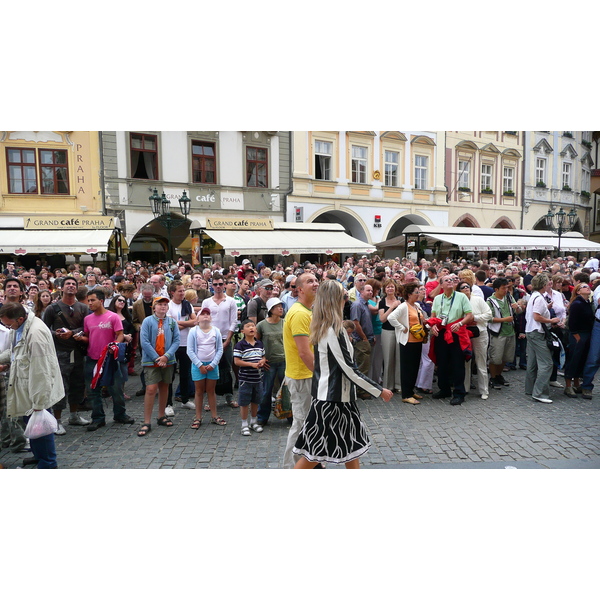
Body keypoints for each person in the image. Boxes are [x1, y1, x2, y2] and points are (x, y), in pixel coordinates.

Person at [292, 280, 393, 468]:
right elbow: (350, 370)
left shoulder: (325, 326)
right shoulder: (333, 330)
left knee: (349, 450)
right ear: (336, 300)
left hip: (336, 399)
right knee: (313, 455)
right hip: (332, 401)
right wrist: (379, 390)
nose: (347, 299)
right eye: (344, 296)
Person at [0, 302, 64, 468]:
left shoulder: (35, 334)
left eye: (9, 324)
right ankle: (39, 455)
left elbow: (40, 370)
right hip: (27, 386)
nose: (8, 327)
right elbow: (16, 351)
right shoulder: (21, 327)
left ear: (20, 319)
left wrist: (38, 402)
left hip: (36, 389)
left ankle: (48, 462)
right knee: (32, 424)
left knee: (41, 426)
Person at [79, 289, 135, 431]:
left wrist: (115, 346)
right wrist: (80, 338)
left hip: (109, 360)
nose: (89, 303)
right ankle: (98, 418)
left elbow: (120, 334)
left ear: (101, 301)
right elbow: (88, 337)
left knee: (116, 389)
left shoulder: (113, 317)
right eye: (88, 300)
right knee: (93, 391)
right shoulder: (87, 319)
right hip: (92, 359)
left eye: (92, 300)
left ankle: (120, 414)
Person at [42, 275, 91, 434]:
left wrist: (73, 332)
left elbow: (87, 327)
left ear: (76, 288)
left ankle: (74, 415)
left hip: (77, 351)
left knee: (78, 384)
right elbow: (43, 330)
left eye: (73, 284)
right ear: (61, 288)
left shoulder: (83, 308)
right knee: (60, 386)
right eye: (67, 284)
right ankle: (56, 420)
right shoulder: (52, 308)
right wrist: (56, 334)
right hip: (59, 353)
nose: (70, 286)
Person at [282, 271, 319, 468]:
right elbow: (304, 353)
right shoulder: (299, 314)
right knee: (301, 424)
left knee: (307, 423)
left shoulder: (308, 311)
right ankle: (292, 466)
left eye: (316, 280)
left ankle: (309, 462)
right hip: (303, 375)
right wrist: (321, 377)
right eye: (309, 281)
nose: (315, 283)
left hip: (307, 374)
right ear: (299, 290)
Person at [138, 297, 181, 436]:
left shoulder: (172, 322)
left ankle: (161, 415)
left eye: (165, 305)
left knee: (165, 386)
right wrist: (156, 358)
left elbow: (176, 341)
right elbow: (144, 341)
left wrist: (166, 356)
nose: (163, 307)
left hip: (167, 359)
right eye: (160, 305)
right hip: (151, 360)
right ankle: (146, 421)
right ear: (154, 307)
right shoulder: (147, 321)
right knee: (151, 388)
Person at [429, 273, 474, 405]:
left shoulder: (461, 297)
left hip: (456, 333)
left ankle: (459, 393)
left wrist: (460, 323)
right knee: (442, 363)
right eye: (446, 280)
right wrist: (432, 327)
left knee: (457, 364)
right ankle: (444, 389)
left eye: (452, 280)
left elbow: (469, 315)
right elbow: (433, 316)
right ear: (441, 285)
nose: (450, 281)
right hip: (442, 333)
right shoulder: (437, 299)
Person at [201, 272, 238, 409]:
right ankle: (211, 400)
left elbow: (233, 321)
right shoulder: (207, 302)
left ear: (224, 285)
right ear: (212, 285)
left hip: (225, 338)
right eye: (215, 284)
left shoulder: (231, 301)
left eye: (220, 284)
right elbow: (203, 320)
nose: (218, 287)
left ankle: (229, 397)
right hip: (209, 339)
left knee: (227, 368)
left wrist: (228, 340)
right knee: (210, 368)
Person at [187, 307, 226, 429]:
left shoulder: (216, 331)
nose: (205, 316)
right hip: (198, 365)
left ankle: (214, 415)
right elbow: (190, 350)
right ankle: (198, 417)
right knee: (199, 391)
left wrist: (213, 364)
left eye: (207, 314)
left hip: (212, 365)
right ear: (197, 318)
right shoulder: (193, 331)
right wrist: (199, 365)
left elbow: (219, 349)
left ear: (211, 318)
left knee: (211, 390)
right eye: (202, 314)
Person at [388, 282, 426, 404]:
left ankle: (411, 390)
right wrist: (402, 327)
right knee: (407, 368)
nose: (418, 294)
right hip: (408, 341)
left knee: (415, 367)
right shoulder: (404, 306)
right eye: (416, 292)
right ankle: (406, 394)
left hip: (418, 340)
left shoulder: (416, 306)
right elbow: (391, 318)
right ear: (409, 294)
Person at [524, 273, 560, 404]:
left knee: (532, 363)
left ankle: (530, 388)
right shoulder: (539, 298)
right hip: (537, 332)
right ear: (543, 285)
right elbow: (537, 316)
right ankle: (539, 393)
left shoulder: (535, 296)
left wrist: (546, 308)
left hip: (530, 331)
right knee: (547, 363)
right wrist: (551, 320)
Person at [457, 282, 492, 399]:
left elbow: (489, 314)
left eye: (467, 286)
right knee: (466, 362)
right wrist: (466, 320)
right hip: (464, 334)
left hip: (480, 333)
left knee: (481, 361)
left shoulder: (478, 300)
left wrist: (475, 318)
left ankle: (484, 390)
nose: (466, 288)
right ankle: (465, 388)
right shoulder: (458, 301)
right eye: (463, 287)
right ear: (459, 290)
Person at [166, 281, 196, 415]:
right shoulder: (168, 305)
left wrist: (180, 323)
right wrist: (187, 323)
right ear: (172, 292)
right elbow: (171, 325)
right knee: (170, 376)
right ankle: (167, 404)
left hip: (186, 344)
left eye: (183, 290)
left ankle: (184, 399)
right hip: (172, 345)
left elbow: (195, 322)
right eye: (180, 291)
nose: (183, 293)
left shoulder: (187, 304)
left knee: (185, 373)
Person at [256, 297, 286, 426]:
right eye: (278, 306)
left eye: (281, 306)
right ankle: (262, 417)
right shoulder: (262, 325)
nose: (281, 308)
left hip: (284, 361)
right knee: (266, 391)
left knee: (286, 390)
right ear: (271, 310)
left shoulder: (285, 323)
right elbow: (256, 343)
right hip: (269, 362)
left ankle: (289, 415)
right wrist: (261, 357)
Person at [486, 278, 520, 390]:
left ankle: (499, 375)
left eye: (507, 288)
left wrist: (518, 308)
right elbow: (489, 318)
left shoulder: (509, 297)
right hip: (498, 332)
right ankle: (493, 377)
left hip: (510, 331)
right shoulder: (490, 301)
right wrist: (504, 319)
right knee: (495, 357)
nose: (506, 290)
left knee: (506, 356)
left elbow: (518, 311)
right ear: (496, 289)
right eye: (503, 288)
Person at [233, 319, 266, 436]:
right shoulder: (240, 345)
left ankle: (253, 421)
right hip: (245, 379)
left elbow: (263, 356)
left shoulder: (259, 343)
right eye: (248, 326)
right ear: (242, 331)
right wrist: (251, 364)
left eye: (253, 326)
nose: (251, 328)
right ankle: (244, 424)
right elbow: (237, 361)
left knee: (256, 400)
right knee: (244, 402)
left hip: (258, 378)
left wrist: (262, 362)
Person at [564, 283, 594, 398]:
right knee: (573, 359)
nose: (587, 288)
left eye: (588, 286)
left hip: (586, 334)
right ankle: (568, 385)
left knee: (581, 359)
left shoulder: (587, 302)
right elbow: (572, 322)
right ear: (578, 291)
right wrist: (576, 336)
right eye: (584, 287)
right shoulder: (577, 303)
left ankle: (576, 383)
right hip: (578, 334)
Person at [108, 293, 135, 399]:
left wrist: (129, 336)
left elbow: (131, 328)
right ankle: (113, 392)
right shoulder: (109, 314)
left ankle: (121, 392)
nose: (122, 302)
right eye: (119, 300)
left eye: (124, 301)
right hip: (113, 345)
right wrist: (123, 336)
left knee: (123, 370)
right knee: (113, 369)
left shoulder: (127, 315)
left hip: (125, 347)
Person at [378, 278, 401, 393]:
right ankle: (388, 385)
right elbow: (382, 319)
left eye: (392, 286)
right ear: (385, 289)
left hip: (399, 331)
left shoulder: (401, 300)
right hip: (387, 331)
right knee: (388, 358)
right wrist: (392, 307)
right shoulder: (382, 301)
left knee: (399, 358)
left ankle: (398, 384)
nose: (390, 289)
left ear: (395, 289)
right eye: (388, 287)